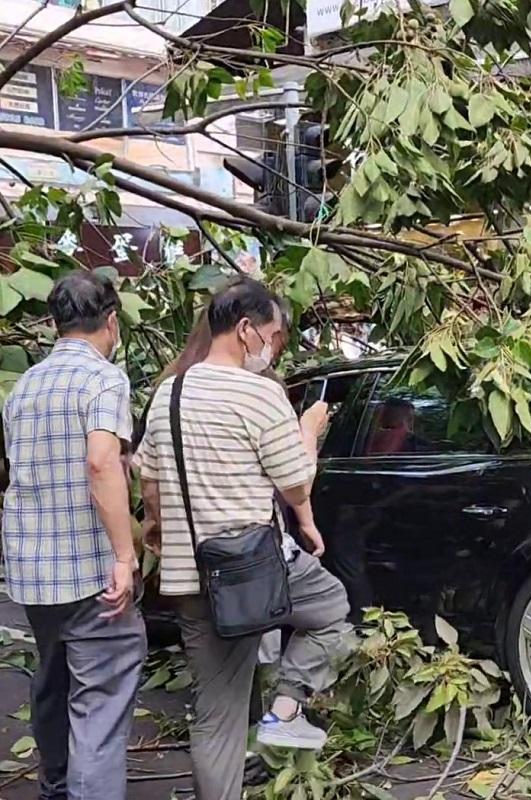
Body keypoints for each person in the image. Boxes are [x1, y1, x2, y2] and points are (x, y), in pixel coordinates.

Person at [134, 279, 352, 800]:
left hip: (191, 578)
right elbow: (295, 481)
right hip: (253, 570)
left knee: (216, 715)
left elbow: (148, 478)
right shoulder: (261, 393)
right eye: (273, 336)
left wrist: (158, 531)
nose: (273, 349)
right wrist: (309, 429)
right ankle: (285, 710)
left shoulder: (171, 391)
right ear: (246, 329)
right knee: (331, 610)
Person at [2, 272, 146, 800]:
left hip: (33, 574)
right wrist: (125, 557)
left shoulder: (24, 386)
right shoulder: (104, 379)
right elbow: (100, 462)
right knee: (101, 702)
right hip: (88, 573)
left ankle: (55, 787)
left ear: (54, 324)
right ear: (111, 322)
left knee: (56, 680)